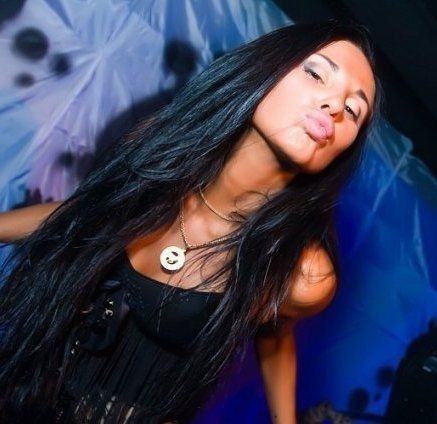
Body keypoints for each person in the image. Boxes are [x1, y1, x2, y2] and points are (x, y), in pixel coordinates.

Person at [0, 19, 381, 423]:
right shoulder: (162, 157)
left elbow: (275, 334)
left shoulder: (304, 274)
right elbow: (84, 215)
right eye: (316, 74)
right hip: (24, 388)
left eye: (353, 111)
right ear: (265, 67)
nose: (335, 106)